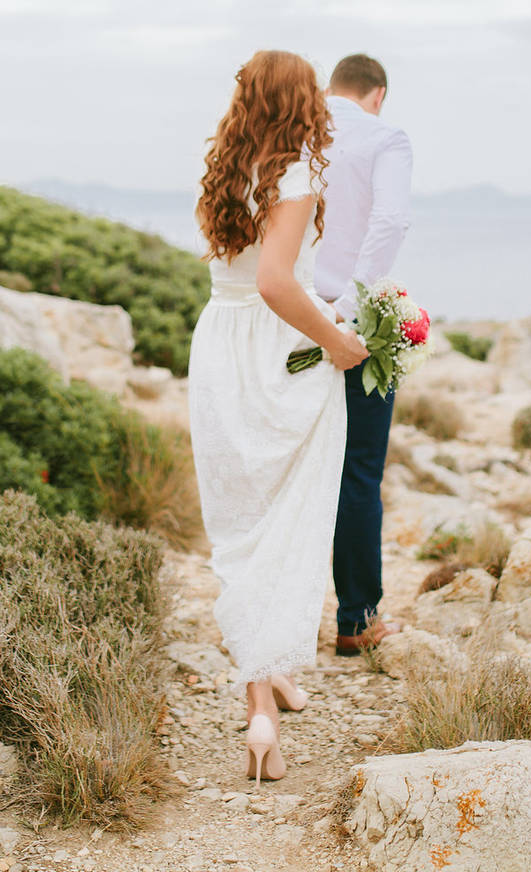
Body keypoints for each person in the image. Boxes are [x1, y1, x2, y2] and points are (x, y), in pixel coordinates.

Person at [188, 50, 370, 785]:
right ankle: (265, 700)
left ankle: (263, 694)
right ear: (303, 102)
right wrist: (339, 340)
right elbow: (274, 282)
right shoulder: (293, 174)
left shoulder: (226, 169)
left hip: (219, 344)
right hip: (274, 354)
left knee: (241, 523)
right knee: (286, 519)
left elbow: (238, 277)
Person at [313, 53, 413, 657]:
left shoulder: (294, 128)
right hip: (350, 323)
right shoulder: (385, 137)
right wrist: (346, 308)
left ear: (332, 89)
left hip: (283, 314)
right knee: (358, 471)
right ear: (378, 94)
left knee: (290, 469)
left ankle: (281, 622)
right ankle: (356, 619)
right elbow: (392, 221)